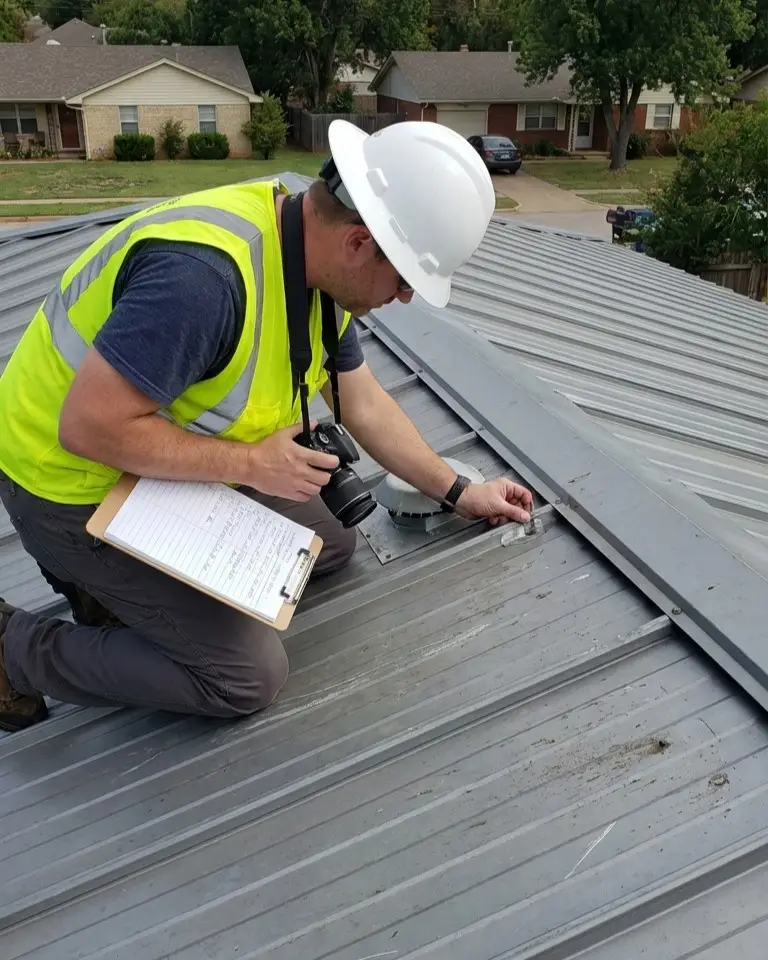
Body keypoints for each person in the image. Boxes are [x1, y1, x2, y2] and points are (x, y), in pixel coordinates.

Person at [0, 119, 533, 733]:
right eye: (406, 280)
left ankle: (124, 597)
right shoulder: (202, 284)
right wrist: (251, 464)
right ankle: (14, 650)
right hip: (66, 485)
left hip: (151, 464)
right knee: (244, 676)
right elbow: (88, 428)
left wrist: (459, 492)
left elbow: (360, 401)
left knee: (329, 543)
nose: (406, 297)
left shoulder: (310, 260)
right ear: (359, 242)